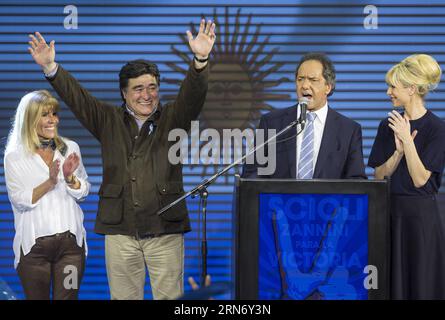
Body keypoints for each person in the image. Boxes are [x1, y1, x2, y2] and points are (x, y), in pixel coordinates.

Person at [27, 19, 216, 300]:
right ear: (124, 93)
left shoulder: (174, 118)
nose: (147, 95)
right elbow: (78, 98)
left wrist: (200, 59)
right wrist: (51, 69)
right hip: (120, 232)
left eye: (152, 87)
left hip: (164, 231)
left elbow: (193, 95)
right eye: (138, 89)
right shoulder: (107, 119)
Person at [368, 54, 445, 300]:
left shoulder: (437, 128)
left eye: (393, 86)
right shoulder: (386, 124)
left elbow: (421, 179)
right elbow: (379, 175)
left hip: (420, 219)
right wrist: (398, 153)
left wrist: (407, 141)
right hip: (390, 212)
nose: (388, 92)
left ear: (411, 89)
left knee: (420, 284)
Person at [4, 90, 90, 300]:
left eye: (54, 114)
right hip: (34, 251)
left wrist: (70, 178)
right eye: (45, 114)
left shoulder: (70, 148)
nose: (53, 120)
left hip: (71, 248)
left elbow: (84, 191)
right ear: (30, 118)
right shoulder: (14, 157)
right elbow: (20, 199)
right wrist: (50, 182)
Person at [242, 52, 366, 179]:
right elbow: (252, 173)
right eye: (300, 79)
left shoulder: (348, 130)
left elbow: (356, 179)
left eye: (313, 80)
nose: (305, 86)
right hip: (279, 198)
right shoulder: (272, 123)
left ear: (328, 87)